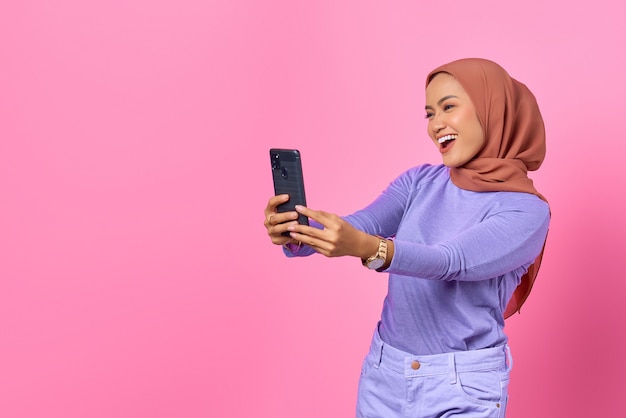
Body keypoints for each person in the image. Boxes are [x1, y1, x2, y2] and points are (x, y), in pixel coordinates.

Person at [263, 58, 550, 418]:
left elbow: (451, 261)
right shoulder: (419, 182)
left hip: (463, 384)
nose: (436, 125)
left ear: (492, 110)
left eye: (448, 107)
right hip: (386, 374)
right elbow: (361, 225)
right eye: (429, 113)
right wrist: (300, 232)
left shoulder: (527, 212)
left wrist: (368, 249)